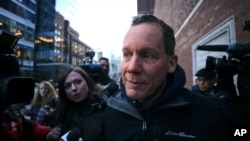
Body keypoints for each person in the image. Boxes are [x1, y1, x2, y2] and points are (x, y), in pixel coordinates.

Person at [102, 14, 229, 140]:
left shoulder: (207, 113)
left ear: (171, 63)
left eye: (148, 56)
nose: (132, 68)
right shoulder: (109, 110)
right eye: (127, 54)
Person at [50, 66, 106, 141]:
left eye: (78, 82)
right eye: (68, 86)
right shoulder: (59, 115)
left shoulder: (103, 107)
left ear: (87, 81)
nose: (74, 88)